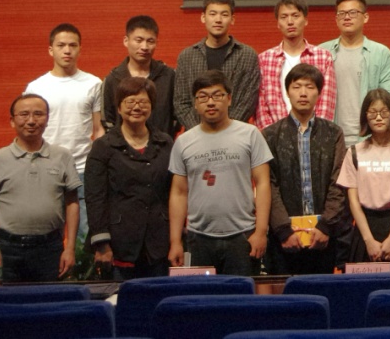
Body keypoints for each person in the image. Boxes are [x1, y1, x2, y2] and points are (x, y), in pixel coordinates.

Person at [168, 70, 272, 275]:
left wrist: (261, 232)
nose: (210, 102)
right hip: (198, 237)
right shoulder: (183, 142)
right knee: (204, 295)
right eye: (203, 97)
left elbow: (263, 183)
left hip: (243, 235)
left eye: (217, 95)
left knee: (241, 294)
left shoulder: (250, 134)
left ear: (229, 99)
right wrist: (175, 241)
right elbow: (179, 193)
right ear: (195, 103)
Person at [0, 94, 79, 282]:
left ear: (47, 119)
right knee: (6, 300)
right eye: (24, 114)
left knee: (48, 300)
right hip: (6, 250)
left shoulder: (62, 156)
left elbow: (72, 203)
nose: (31, 121)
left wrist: (70, 248)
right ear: (12, 121)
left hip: (50, 249)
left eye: (38, 114)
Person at [263, 64, 350, 275]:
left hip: (323, 236)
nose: (303, 93)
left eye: (310, 87)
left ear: (319, 93)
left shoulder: (333, 133)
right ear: (287, 92)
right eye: (297, 87)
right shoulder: (270, 135)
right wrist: (283, 230)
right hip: (283, 238)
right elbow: (269, 186)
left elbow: (338, 181)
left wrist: (325, 226)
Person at [85, 77, 173, 279]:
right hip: (119, 243)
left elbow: (173, 192)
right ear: (119, 107)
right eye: (130, 101)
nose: (137, 107)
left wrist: (176, 237)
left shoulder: (165, 143)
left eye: (143, 102)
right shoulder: (103, 146)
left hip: (158, 240)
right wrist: (102, 243)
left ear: (152, 106)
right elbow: (95, 197)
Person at [25, 23, 103, 241]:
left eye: (72, 45)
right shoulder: (36, 87)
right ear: (51, 50)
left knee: (85, 235)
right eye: (61, 45)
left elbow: (99, 129)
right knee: (47, 233)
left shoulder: (94, 83)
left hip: (82, 167)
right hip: (45, 166)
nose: (67, 50)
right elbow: (27, 132)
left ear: (80, 49)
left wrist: (96, 163)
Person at [337, 89, 390, 270]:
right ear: (365, 116)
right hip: (364, 228)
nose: (378, 118)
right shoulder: (354, 152)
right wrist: (368, 240)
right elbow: (353, 201)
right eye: (372, 112)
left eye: (384, 112)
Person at [319, 0, 390, 147]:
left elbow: (389, 96)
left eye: (353, 13)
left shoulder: (381, 53)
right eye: (342, 14)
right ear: (336, 19)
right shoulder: (322, 52)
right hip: (330, 139)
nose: (347, 17)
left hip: (370, 139)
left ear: (365, 17)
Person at [174, 0, 261, 129]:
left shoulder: (247, 55)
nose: (218, 19)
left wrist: (225, 129)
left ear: (232, 19)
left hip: (234, 134)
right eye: (213, 14)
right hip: (195, 134)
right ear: (203, 17)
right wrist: (202, 131)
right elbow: (181, 102)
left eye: (224, 14)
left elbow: (247, 102)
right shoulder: (187, 57)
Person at [257, 0, 337, 129]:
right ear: (278, 23)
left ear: (305, 20)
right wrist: (272, 135)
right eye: (284, 17)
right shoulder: (264, 59)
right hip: (275, 135)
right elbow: (261, 107)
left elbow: (326, 103)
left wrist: (315, 134)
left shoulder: (323, 57)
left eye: (295, 16)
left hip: (315, 134)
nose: (290, 22)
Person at [102, 15, 176, 136]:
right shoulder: (112, 79)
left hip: (162, 145)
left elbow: (176, 116)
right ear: (126, 41)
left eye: (150, 41)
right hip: (122, 146)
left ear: (156, 43)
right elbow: (108, 121)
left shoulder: (169, 76)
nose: (144, 47)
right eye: (139, 40)